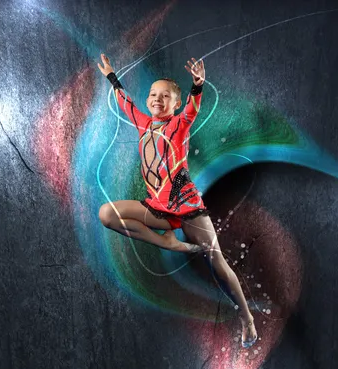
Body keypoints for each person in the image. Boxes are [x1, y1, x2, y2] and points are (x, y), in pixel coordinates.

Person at [96, 53, 257, 347]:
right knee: (107, 214)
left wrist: (197, 85)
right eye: (153, 95)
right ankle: (168, 242)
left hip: (189, 209)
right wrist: (111, 76)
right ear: (148, 101)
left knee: (217, 263)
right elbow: (124, 102)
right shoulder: (144, 124)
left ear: (175, 103)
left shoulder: (179, 124)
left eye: (165, 96)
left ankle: (247, 318)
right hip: (157, 209)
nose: (157, 99)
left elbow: (193, 110)